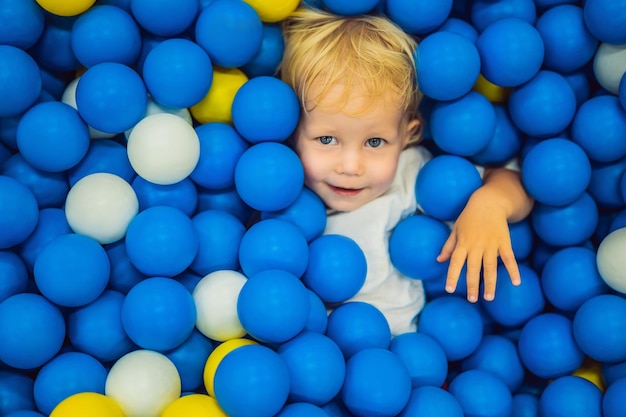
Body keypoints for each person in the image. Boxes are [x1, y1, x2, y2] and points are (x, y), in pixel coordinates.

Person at [279, 6, 534, 335]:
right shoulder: (281, 196)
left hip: (406, 356)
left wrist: (491, 204)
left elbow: (517, 181)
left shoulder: (414, 174)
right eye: (327, 139)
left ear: (407, 134)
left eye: (375, 142)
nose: (350, 166)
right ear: (291, 131)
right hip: (309, 352)